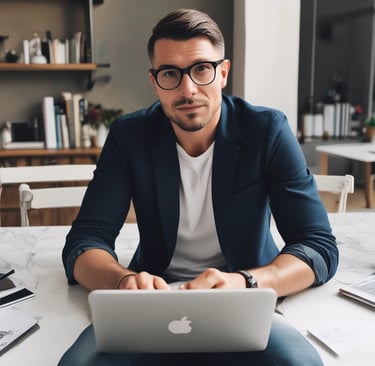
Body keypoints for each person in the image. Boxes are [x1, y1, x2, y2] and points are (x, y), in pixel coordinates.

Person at [59, 8, 338, 366]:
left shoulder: (266, 131)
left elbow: (318, 246)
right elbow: (84, 243)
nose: (187, 89)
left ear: (223, 73)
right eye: (170, 74)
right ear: (154, 81)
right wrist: (122, 281)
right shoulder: (129, 136)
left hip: (243, 298)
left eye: (201, 69)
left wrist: (247, 282)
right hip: (152, 299)